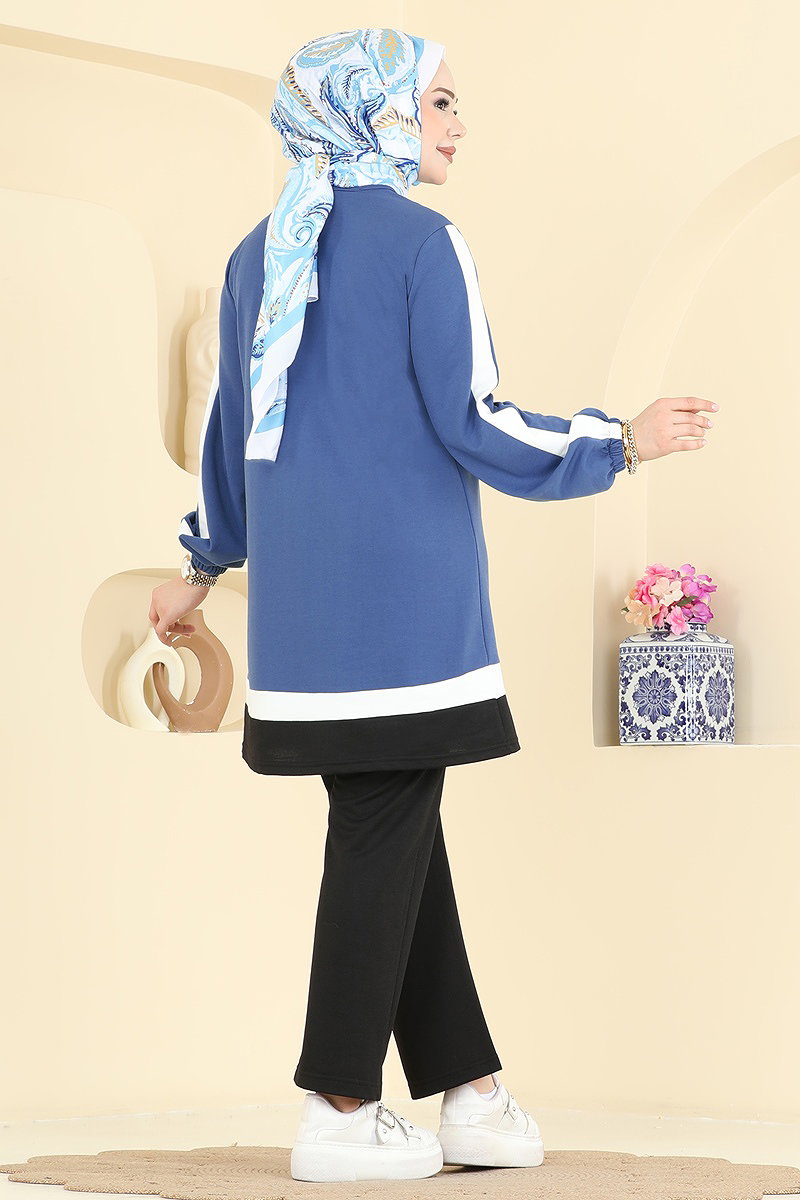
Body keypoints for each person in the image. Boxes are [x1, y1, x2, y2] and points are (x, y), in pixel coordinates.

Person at [149, 28, 717, 1184]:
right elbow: (475, 423)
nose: (456, 123)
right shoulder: (423, 244)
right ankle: (338, 1108)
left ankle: (472, 1095)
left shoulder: (260, 253)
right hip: (404, 612)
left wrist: (201, 568)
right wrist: (619, 441)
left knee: (395, 826)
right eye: (437, 101)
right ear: (370, 112)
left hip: (305, 622)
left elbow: (234, 439)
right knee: (383, 832)